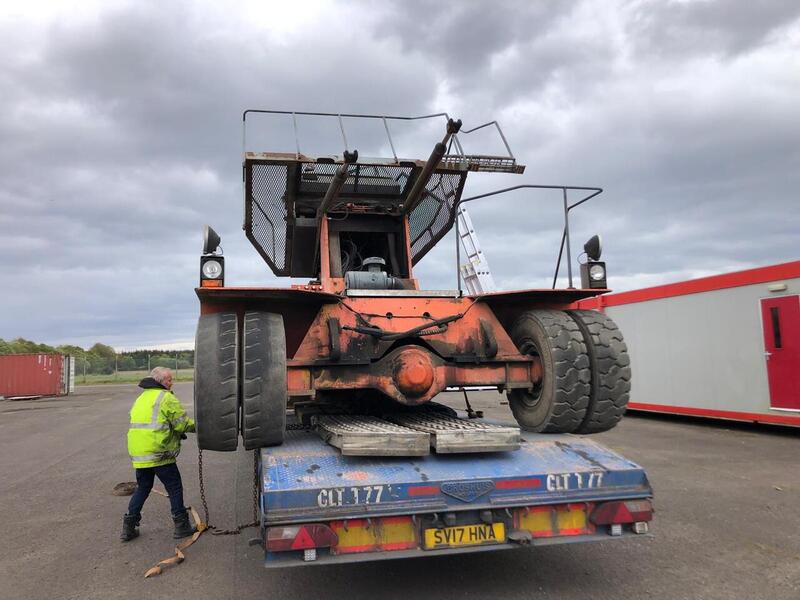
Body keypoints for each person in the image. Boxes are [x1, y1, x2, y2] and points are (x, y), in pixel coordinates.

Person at [120, 366, 196, 542]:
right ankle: (181, 526)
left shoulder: (142, 397)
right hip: (159, 452)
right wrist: (202, 426)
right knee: (174, 486)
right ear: (160, 382)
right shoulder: (166, 398)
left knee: (143, 487)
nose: (172, 383)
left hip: (140, 453)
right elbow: (182, 424)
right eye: (169, 380)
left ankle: (128, 527)